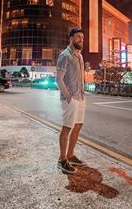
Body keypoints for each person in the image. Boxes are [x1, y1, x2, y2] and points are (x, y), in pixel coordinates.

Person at [56, 27, 86, 174]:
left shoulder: (80, 56)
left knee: (78, 125)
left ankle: (71, 155)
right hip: (71, 98)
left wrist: (82, 94)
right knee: (67, 128)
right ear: (71, 38)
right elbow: (59, 79)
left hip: (80, 97)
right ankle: (62, 160)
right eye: (78, 37)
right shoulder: (65, 56)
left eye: (82, 37)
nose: (81, 39)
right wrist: (68, 98)